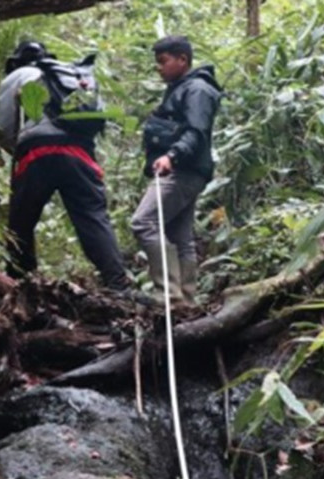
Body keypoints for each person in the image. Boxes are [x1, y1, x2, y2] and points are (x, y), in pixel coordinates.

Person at [0, 41, 130, 291]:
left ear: (16, 62)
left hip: (36, 152)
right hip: (79, 152)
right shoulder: (71, 75)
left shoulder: (18, 76)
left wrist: (16, 146)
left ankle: (19, 284)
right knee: (92, 217)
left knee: (20, 222)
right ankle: (118, 283)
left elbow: (2, 129)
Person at [131, 35, 222, 305]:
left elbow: (197, 131)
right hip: (188, 170)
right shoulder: (182, 88)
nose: (159, 68)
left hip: (182, 170)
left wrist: (171, 155)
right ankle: (186, 299)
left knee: (143, 222)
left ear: (183, 60)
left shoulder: (196, 89)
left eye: (163, 61)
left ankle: (168, 293)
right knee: (179, 236)